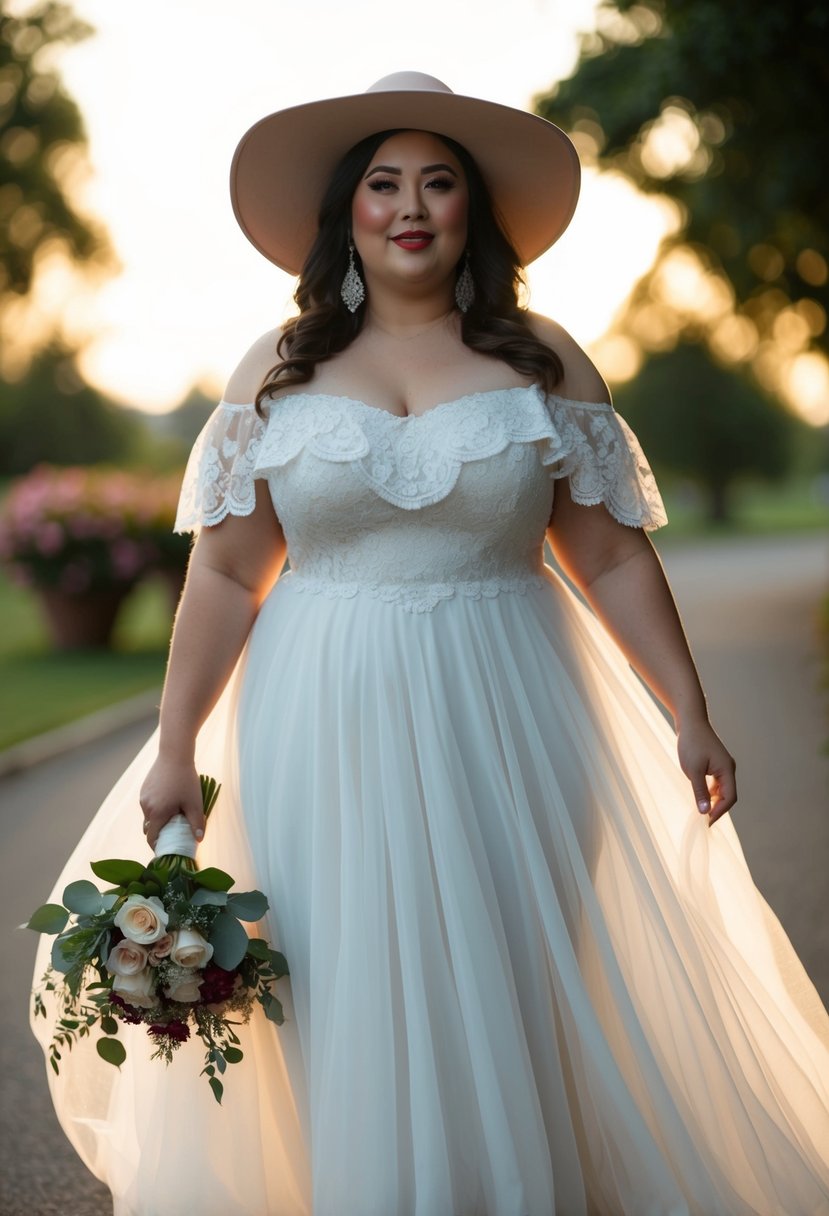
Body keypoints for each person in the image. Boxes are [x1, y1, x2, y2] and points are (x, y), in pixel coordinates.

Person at [32, 72, 829, 1216]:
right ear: (345, 214)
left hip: (516, 704)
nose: (411, 205)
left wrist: (686, 708)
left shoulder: (545, 361)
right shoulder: (276, 366)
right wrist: (173, 742)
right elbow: (220, 569)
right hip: (321, 709)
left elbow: (607, 556)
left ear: (473, 212)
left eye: (439, 182)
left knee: (509, 971)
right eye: (383, 183)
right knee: (340, 973)